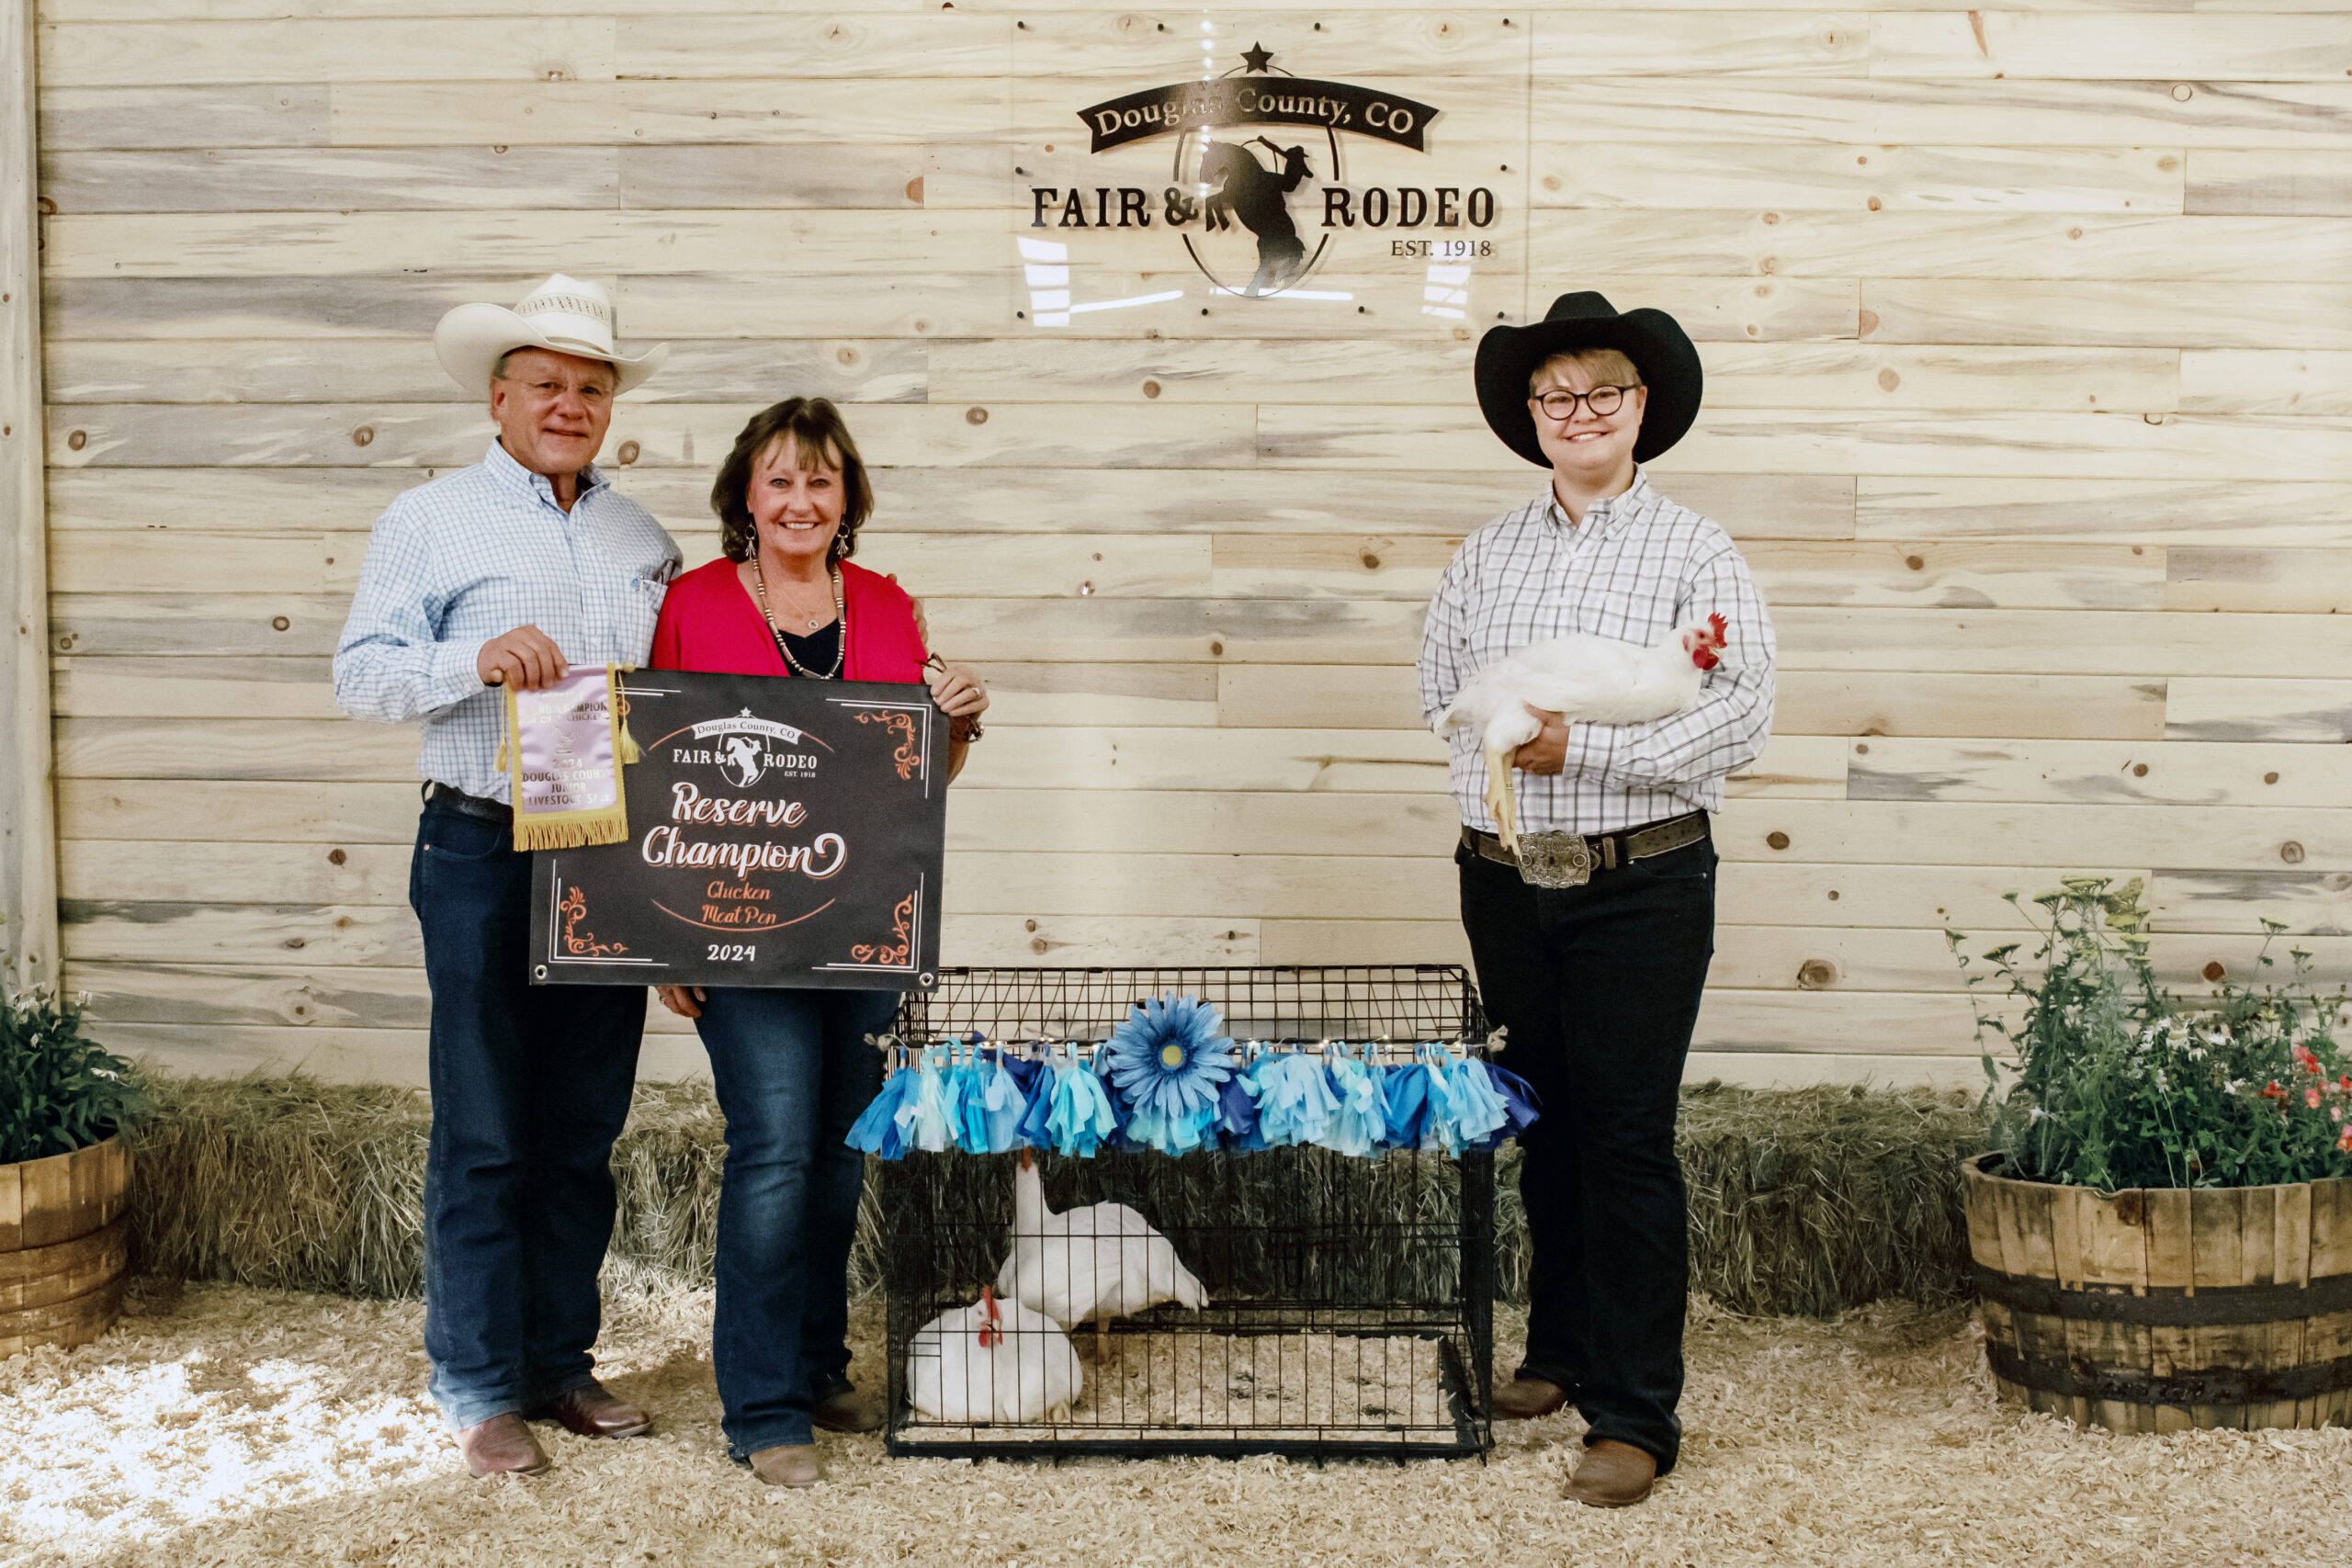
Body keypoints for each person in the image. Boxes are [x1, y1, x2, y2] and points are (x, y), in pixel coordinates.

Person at [1418, 292, 1777, 1507]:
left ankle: (1635, 1409)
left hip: (1643, 880)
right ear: (1531, 415)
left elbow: (1740, 713)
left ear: (1641, 409)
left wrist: (1590, 754)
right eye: (1556, 394)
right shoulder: (1486, 554)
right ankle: (1559, 1351)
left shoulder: (1697, 552)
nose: (1581, 411)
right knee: (1546, 1122)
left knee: (1625, 1137)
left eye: (1604, 392)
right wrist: (1509, 782)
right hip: (1510, 879)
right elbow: (1442, 695)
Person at [334, 275, 680, 1478]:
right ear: (500, 394)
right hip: (480, 838)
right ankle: (478, 1381)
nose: (569, 403)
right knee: (485, 1127)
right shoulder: (428, 517)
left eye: (591, 386)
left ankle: (557, 1359)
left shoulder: (647, 539)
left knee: (581, 1126)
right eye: (548, 382)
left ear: (610, 404)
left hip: (603, 843)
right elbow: (361, 675)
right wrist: (471, 656)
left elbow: (681, 707)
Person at [646, 397, 989, 1489]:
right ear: (746, 495)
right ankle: (761, 1403)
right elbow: (653, 767)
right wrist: (668, 946)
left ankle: (819, 1358)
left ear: (848, 499)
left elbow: (912, 785)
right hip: (736, 931)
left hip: (860, 927)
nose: (801, 501)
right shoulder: (693, 605)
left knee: (842, 1154)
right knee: (776, 1150)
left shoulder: (888, 608)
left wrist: (958, 726)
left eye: (821, 482)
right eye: (780, 481)